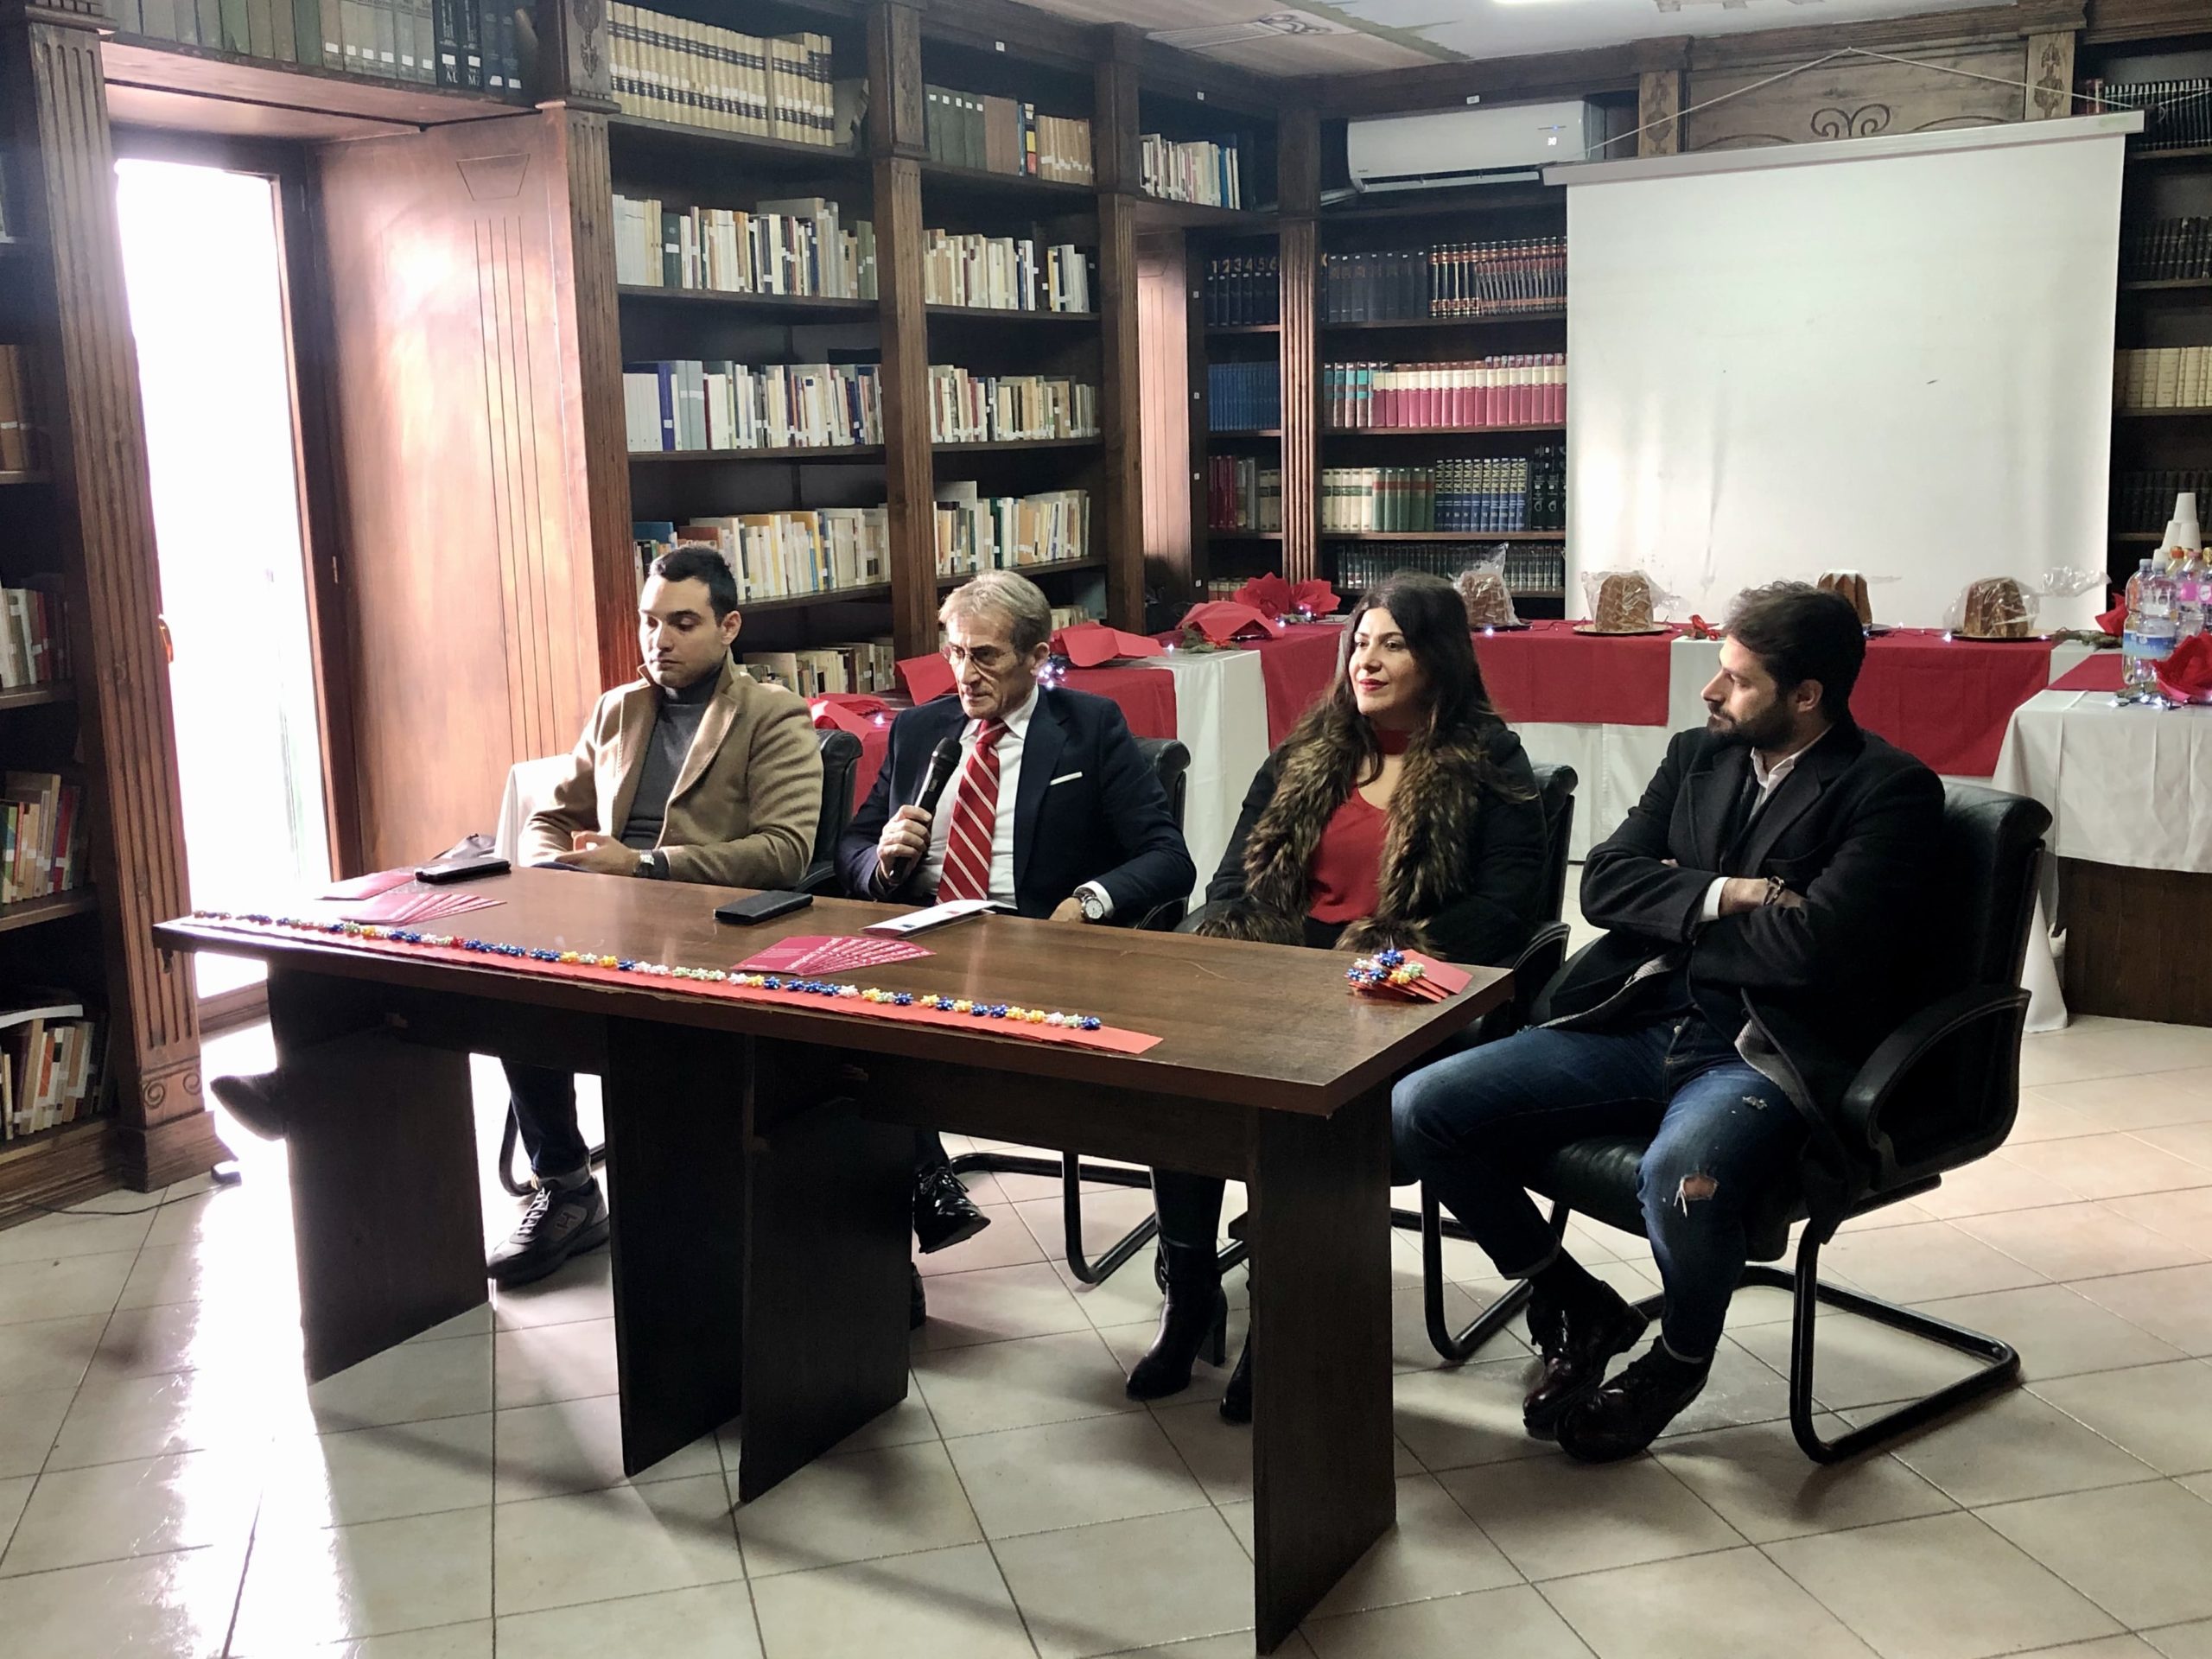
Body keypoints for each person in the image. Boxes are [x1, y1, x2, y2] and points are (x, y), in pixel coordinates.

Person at [1392, 581, 1943, 1460]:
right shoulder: (1698, 756)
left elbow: (1813, 952)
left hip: (1758, 1049)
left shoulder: (1889, 790)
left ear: (1807, 696)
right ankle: (1573, 1298)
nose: (1711, 691)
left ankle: (1677, 1361)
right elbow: (1605, 882)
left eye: (1738, 680)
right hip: (1639, 1017)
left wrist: (1681, 917)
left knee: (1681, 1180)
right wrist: (1733, 897)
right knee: (1421, 1106)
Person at [1131, 570, 1549, 1421]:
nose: (1367, 660)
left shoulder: (1487, 758)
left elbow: (1506, 911)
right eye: (1360, 642)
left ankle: (1282, 1318)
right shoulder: (1308, 751)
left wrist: (1372, 965)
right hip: (1282, 974)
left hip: (1403, 992)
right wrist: (1253, 959)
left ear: (1438, 657)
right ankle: (1191, 1292)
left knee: (1296, 1095)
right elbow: (1232, 883)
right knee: (1183, 1074)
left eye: (1393, 644)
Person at [837, 570, 1197, 1324]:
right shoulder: (920, 731)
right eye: (954, 653)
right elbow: (853, 845)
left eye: (986, 657)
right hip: (922, 935)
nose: (964, 674)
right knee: (822, 1043)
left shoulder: (1089, 727)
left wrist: (1086, 904)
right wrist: (884, 861)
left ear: (1037, 657)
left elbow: (1168, 858)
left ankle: (924, 1180)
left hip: (1036, 945)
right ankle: (876, 1254)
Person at [492, 544, 823, 1286]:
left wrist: (645, 865)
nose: (659, 640)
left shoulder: (772, 714)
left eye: (682, 623)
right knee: (510, 979)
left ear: (729, 626)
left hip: (707, 925)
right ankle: (567, 1187)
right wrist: (549, 872)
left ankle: (672, 1203)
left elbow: (784, 851)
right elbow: (551, 816)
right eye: (649, 622)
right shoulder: (619, 708)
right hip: (602, 914)